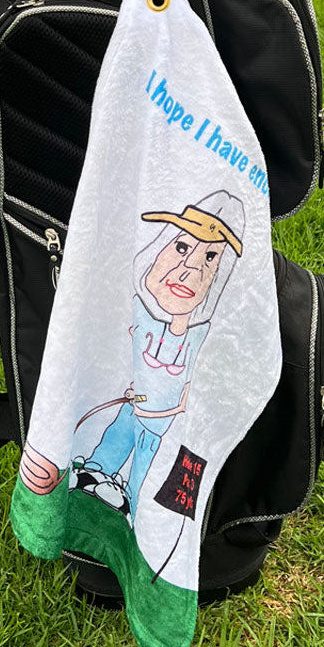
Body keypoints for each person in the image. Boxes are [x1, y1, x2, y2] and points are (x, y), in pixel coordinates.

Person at [70, 190, 244, 519]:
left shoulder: (202, 335)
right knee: (116, 438)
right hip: (131, 408)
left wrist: (181, 405)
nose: (189, 269)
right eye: (181, 247)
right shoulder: (140, 314)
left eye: (210, 258)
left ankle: (125, 493)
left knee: (145, 457)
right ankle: (94, 472)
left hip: (160, 426)